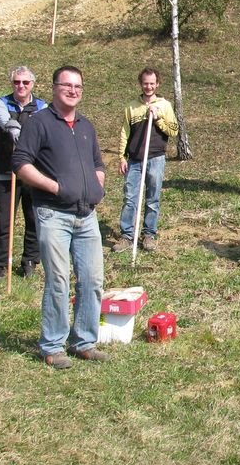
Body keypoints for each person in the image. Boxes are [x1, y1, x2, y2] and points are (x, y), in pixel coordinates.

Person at [13, 66, 108, 369]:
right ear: (54, 88)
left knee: (92, 280)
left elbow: (98, 163)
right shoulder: (39, 123)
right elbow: (21, 164)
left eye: (78, 86)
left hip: (86, 215)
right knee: (58, 279)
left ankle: (84, 342)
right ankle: (53, 346)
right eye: (67, 85)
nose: (73, 91)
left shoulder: (85, 125)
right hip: (53, 214)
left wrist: (96, 184)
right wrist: (55, 187)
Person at [0, 66, 47, 285]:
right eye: (17, 82)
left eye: (25, 82)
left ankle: (30, 261)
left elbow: (42, 128)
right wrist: (12, 127)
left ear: (32, 84)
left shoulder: (41, 107)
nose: (21, 86)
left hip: (33, 173)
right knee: (4, 222)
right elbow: (2, 119)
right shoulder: (2, 103)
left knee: (33, 219)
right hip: (7, 172)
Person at [113, 67, 179, 254]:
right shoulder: (131, 107)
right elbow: (125, 133)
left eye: (152, 83)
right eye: (145, 83)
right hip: (134, 159)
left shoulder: (164, 105)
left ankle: (149, 234)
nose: (148, 87)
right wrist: (121, 157)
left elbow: (174, 130)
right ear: (140, 84)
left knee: (152, 198)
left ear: (157, 84)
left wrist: (158, 119)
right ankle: (127, 236)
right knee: (130, 199)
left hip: (156, 158)